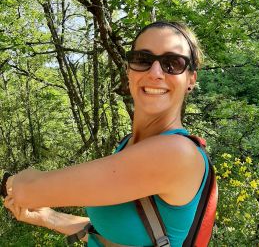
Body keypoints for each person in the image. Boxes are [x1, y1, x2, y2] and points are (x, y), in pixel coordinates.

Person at [3, 21, 209, 247]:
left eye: (173, 63)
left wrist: (16, 182)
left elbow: (27, 191)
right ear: (129, 71)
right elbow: (113, 234)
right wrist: (49, 217)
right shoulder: (128, 145)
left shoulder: (175, 154)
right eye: (143, 60)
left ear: (191, 79)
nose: (155, 72)